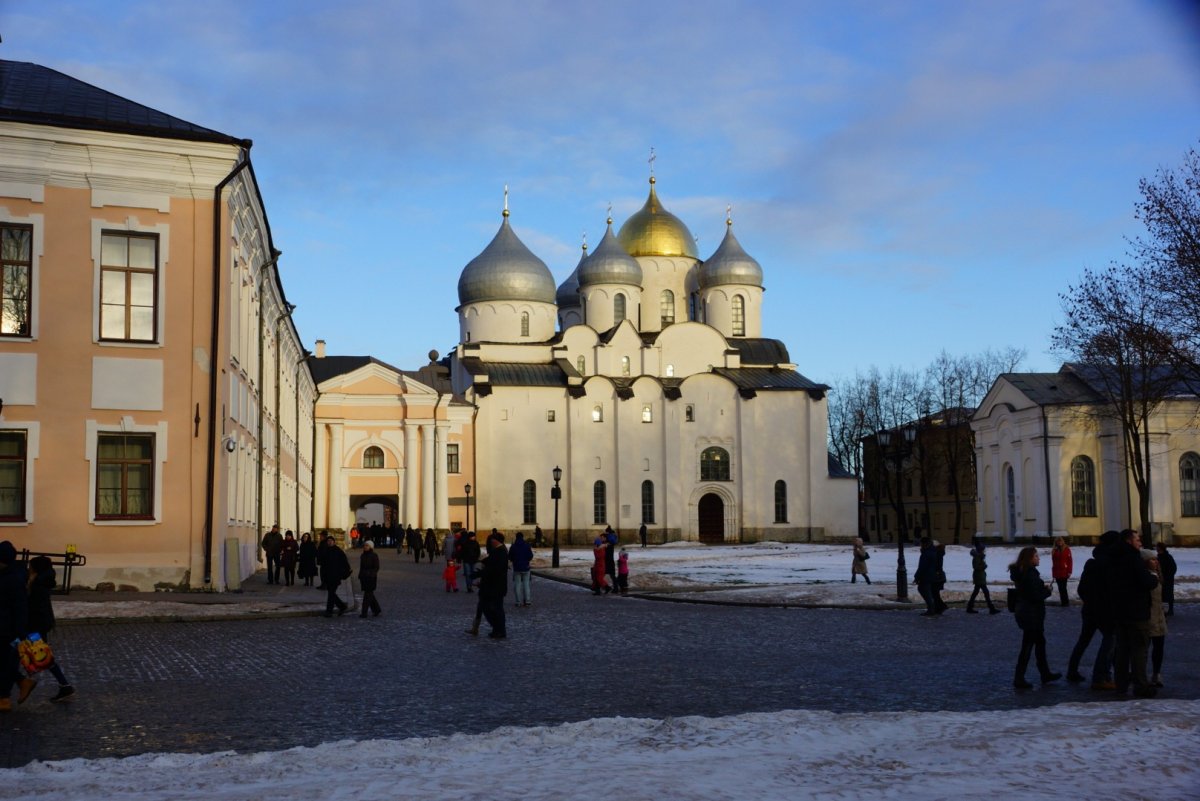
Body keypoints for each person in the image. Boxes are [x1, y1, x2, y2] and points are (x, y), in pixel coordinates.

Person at [1066, 530, 1118, 690]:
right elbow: (1112, 590)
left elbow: (1082, 589)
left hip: (1089, 610)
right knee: (1111, 640)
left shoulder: (1091, 563)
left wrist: (1089, 601)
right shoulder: (1111, 563)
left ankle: (1072, 670)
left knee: (1084, 640)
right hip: (1105, 611)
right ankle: (1102, 676)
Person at [1111, 529, 1158, 698]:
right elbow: (1145, 582)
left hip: (1120, 612)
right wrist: (1153, 575)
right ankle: (1141, 685)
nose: (1140, 542)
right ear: (1129, 541)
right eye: (1137, 540)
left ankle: (1121, 685)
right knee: (1139, 650)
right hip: (1137, 612)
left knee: (1122, 650)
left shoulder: (1114, 557)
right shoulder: (1134, 559)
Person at [1008, 546, 1061, 689]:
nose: (1038, 558)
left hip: (1028, 613)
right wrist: (1047, 591)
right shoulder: (1030, 574)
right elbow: (1035, 596)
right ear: (1030, 558)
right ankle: (1019, 678)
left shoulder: (1024, 572)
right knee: (1028, 645)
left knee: (1039, 643)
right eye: (1036, 556)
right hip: (1031, 614)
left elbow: (1029, 592)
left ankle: (1045, 673)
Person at [25, 556, 74, 702]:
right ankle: (64, 685)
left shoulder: (38, 584)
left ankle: (64, 685)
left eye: (31, 566)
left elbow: (34, 608)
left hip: (34, 627)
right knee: (40, 656)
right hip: (37, 625)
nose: (29, 569)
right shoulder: (40, 582)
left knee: (41, 657)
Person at [0, 541, 28, 712]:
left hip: (7, 630)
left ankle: (4, 697)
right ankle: (21, 682)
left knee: (4, 663)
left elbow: (20, 608)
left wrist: (19, 634)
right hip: (4, 627)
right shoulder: (8, 576)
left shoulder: (13, 579)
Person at [477, 532, 508, 639]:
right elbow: (491, 563)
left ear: (496, 541)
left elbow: (495, 569)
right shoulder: (498, 551)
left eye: (492, 540)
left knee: (495, 609)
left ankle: (500, 630)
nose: (490, 542)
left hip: (497, 586)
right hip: (494, 586)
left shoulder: (501, 552)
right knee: (491, 608)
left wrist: (482, 573)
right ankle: (497, 629)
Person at [1143, 549, 1167, 688]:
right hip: (1148, 618)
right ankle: (1141, 674)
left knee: (1159, 648)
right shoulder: (1146, 577)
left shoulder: (1158, 576)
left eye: (1156, 559)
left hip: (1159, 617)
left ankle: (1156, 673)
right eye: (1152, 560)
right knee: (1144, 648)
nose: (1156, 562)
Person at [318, 534, 351, 617]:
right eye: (328, 541)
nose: (329, 543)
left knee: (331, 593)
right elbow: (323, 564)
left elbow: (345, 563)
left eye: (331, 541)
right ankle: (342, 606)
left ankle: (329, 611)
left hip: (336, 576)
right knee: (331, 593)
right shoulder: (326, 551)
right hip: (328, 576)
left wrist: (343, 573)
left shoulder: (338, 551)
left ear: (334, 542)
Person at [965, 537, 999, 613]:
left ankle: (970, 608)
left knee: (976, 593)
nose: (984, 551)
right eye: (983, 549)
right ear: (980, 550)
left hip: (980, 576)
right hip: (979, 577)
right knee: (985, 593)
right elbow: (976, 567)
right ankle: (991, 609)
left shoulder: (979, 557)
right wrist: (984, 566)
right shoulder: (977, 557)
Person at [914, 537, 938, 616]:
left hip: (926, 575)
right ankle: (932, 608)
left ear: (924, 544)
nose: (920, 545)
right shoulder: (932, 552)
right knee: (926, 591)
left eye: (921, 543)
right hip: (931, 574)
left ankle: (931, 609)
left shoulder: (926, 553)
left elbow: (922, 567)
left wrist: (917, 576)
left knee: (924, 591)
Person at [508, 531, 533, 607]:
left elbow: (510, 557)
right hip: (526, 567)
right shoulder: (527, 545)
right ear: (523, 537)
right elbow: (531, 555)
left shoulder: (513, 546)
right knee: (526, 585)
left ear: (516, 537)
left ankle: (518, 602)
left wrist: (514, 561)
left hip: (517, 568)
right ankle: (527, 601)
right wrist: (526, 561)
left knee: (517, 585)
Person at [358, 541, 381, 618]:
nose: (365, 547)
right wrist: (360, 575)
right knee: (370, 595)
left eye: (367, 545)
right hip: (364, 577)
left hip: (371, 578)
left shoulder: (374, 555)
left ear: (371, 547)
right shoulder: (362, 555)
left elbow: (376, 567)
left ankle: (364, 613)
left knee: (367, 596)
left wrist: (371, 574)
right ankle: (377, 609)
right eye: (364, 545)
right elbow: (361, 567)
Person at [1156, 542, 1177, 617]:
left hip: (1167, 579)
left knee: (1168, 595)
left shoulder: (1167, 557)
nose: (1156, 548)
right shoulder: (1159, 557)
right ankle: (1165, 610)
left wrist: (1167, 576)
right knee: (1164, 595)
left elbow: (1173, 568)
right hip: (1163, 579)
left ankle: (1169, 610)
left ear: (1160, 548)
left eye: (1157, 547)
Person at [1051, 537, 1073, 607]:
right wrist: (1053, 573)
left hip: (1064, 571)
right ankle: (1064, 602)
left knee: (1063, 587)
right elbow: (1054, 563)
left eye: (1060, 541)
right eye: (1058, 541)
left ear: (1063, 542)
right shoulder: (1055, 550)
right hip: (1057, 572)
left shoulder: (1067, 549)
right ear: (1056, 542)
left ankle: (1065, 602)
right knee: (1060, 588)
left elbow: (1070, 561)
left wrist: (1069, 571)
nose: (1059, 543)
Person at [604, 526, 618, 591]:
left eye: (606, 532)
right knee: (612, 575)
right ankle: (615, 588)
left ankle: (605, 587)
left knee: (601, 575)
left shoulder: (608, 542)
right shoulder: (611, 541)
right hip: (610, 560)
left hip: (607, 560)